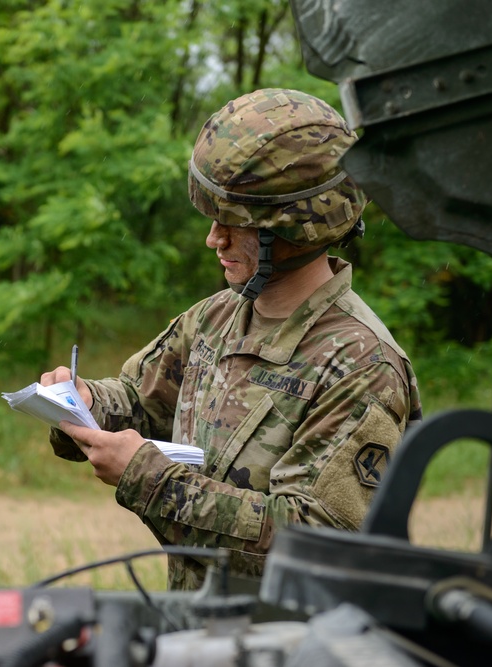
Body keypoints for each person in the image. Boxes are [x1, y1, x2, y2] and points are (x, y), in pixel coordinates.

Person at [39, 89, 422, 591]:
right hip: (200, 627)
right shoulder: (217, 317)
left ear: (295, 229)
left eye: (234, 224)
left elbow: (316, 544)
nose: (213, 239)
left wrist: (147, 479)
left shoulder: (362, 366)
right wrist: (83, 401)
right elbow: (139, 401)